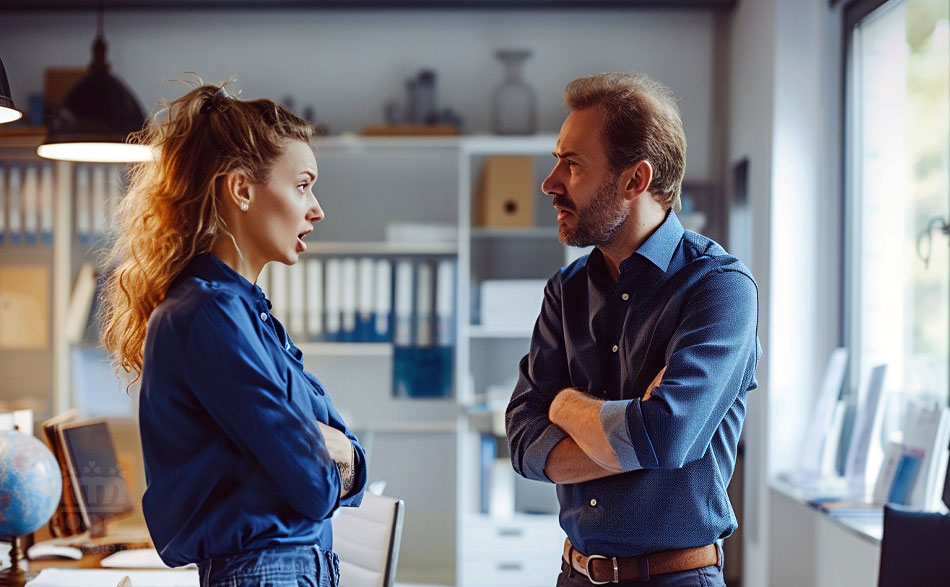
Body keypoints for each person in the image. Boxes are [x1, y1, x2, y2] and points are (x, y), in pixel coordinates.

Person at [100, 82, 367, 587]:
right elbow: (314, 487)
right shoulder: (209, 313)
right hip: (268, 572)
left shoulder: (245, 311)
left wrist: (338, 450)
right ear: (241, 189)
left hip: (287, 567)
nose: (317, 209)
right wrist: (335, 451)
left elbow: (345, 461)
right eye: (303, 185)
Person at [505, 72, 760, 586]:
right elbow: (522, 439)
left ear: (635, 180)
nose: (550, 183)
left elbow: (665, 438)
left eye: (572, 164)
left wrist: (563, 404)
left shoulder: (719, 288)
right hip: (575, 574)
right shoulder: (566, 289)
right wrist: (629, 430)